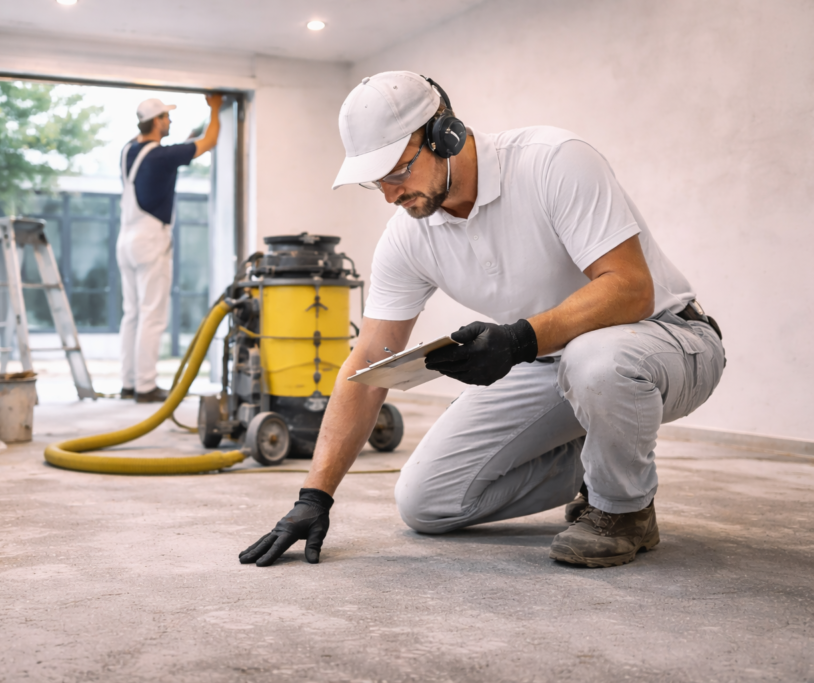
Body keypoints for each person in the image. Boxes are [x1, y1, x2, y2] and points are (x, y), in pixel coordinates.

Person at [239, 71, 725, 568]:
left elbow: (630, 287)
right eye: (375, 180)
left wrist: (517, 341)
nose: (389, 194)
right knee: (427, 502)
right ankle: (593, 461)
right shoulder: (410, 237)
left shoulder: (552, 162)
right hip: (551, 364)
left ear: (443, 134)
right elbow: (369, 362)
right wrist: (314, 496)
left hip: (667, 341)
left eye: (398, 171)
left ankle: (623, 511)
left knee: (595, 360)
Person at [117, 93, 223, 402]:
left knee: (132, 314)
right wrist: (215, 108)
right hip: (150, 240)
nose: (170, 121)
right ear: (157, 122)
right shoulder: (161, 156)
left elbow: (175, 152)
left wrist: (189, 138)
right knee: (152, 315)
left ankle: (128, 383)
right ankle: (146, 387)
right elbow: (210, 141)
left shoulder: (129, 151)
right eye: (166, 117)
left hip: (126, 240)